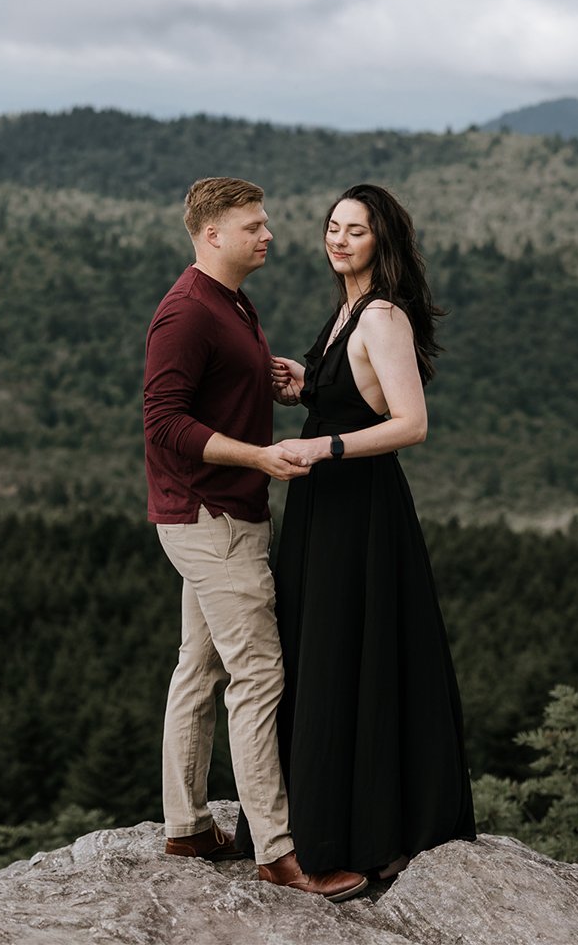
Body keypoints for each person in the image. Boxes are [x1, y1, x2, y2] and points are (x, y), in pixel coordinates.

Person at [143, 176, 369, 903]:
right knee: (260, 676)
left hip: (211, 513)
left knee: (199, 668)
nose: (268, 235)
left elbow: (215, 393)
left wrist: (270, 385)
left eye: (266, 223)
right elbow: (165, 424)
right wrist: (258, 457)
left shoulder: (232, 302)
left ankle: (186, 825)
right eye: (252, 226)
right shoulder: (185, 313)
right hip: (212, 519)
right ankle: (277, 851)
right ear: (212, 235)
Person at [268, 183, 476, 881]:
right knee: (325, 656)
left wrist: (324, 447)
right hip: (324, 510)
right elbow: (359, 397)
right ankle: (328, 825)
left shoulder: (382, 315)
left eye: (355, 230)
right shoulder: (347, 311)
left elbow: (410, 425)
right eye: (332, 226)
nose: (339, 239)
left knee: (345, 658)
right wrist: (309, 383)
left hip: (359, 512)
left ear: (380, 241)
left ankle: (357, 835)